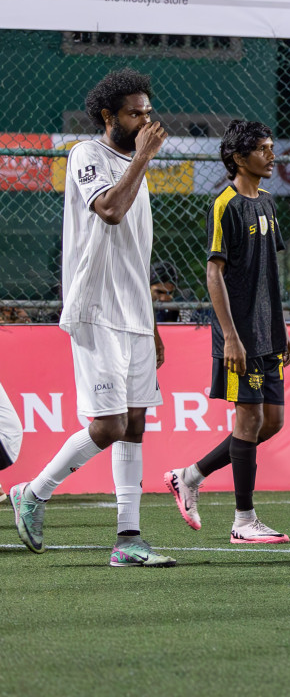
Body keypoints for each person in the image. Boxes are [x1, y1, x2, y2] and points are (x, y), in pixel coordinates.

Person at [9, 70, 175, 567]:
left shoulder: (135, 166)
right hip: (96, 308)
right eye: (135, 113)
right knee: (107, 426)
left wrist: (152, 321)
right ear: (109, 116)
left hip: (134, 315)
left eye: (148, 111)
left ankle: (128, 540)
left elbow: (135, 254)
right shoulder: (88, 155)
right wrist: (143, 157)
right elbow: (109, 210)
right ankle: (33, 493)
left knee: (136, 424)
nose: (146, 120)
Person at [165, 120, 290, 544]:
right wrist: (231, 336)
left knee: (270, 421)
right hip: (238, 335)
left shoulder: (269, 204)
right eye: (263, 149)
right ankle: (243, 520)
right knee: (250, 417)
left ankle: (190, 475)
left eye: (272, 147)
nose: (271, 155)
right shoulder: (225, 205)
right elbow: (213, 272)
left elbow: (268, 275)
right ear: (239, 158)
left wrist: (283, 327)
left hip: (269, 332)